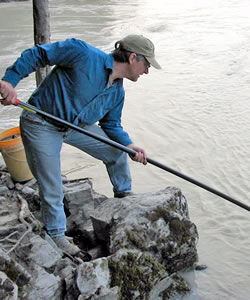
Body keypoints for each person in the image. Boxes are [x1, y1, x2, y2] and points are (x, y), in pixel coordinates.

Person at [0, 34, 161, 255]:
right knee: (52, 183)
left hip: (74, 127)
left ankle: (124, 196)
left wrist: (130, 145)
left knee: (117, 150)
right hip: (41, 122)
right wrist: (10, 81)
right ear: (133, 58)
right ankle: (57, 234)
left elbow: (111, 125)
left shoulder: (117, 92)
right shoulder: (82, 52)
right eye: (147, 64)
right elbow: (38, 54)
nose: (147, 71)